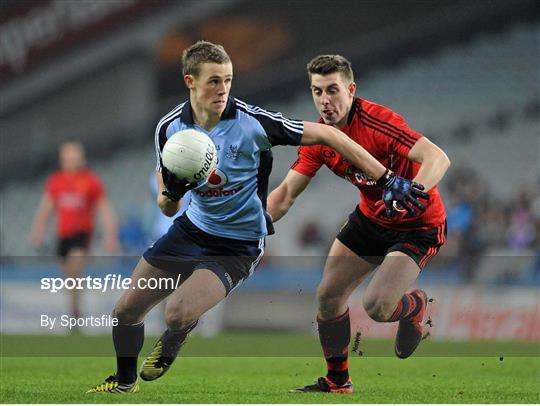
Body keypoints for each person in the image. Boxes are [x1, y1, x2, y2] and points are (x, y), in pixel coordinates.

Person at [87, 41, 426, 394]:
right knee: (125, 310)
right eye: (214, 81)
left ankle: (175, 338)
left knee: (176, 314)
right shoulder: (169, 130)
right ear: (190, 81)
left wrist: (386, 178)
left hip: (238, 243)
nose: (223, 90)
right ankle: (123, 383)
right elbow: (167, 207)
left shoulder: (252, 124)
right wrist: (172, 191)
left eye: (228, 80)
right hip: (190, 230)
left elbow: (328, 133)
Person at [267, 55, 450, 393]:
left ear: (351, 90)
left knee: (378, 307)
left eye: (333, 90)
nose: (325, 100)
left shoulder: (379, 122)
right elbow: (286, 193)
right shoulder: (319, 136)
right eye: (317, 91)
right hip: (370, 219)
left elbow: (438, 157)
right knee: (328, 297)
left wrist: (414, 190)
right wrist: (254, 225)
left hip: (418, 224)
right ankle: (338, 382)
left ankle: (414, 306)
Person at [30, 141, 119, 320]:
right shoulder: (56, 181)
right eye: (67, 158)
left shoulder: (90, 180)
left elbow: (104, 208)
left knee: (75, 265)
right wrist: (37, 232)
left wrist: (111, 235)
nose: (71, 162)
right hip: (63, 235)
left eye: (75, 158)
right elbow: (46, 208)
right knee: (69, 276)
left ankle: (76, 311)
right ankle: (74, 308)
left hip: (82, 234)